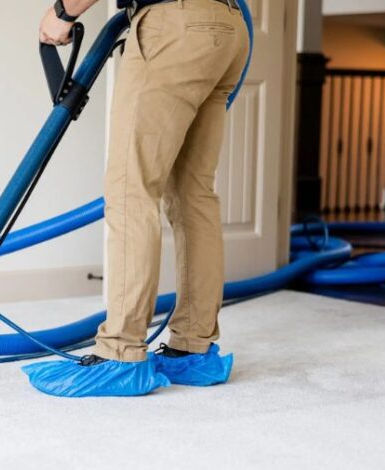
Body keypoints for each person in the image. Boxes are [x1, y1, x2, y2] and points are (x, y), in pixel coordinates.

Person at [30, 0, 249, 392]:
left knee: (132, 188)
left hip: (175, 25)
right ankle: (193, 349)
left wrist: (62, 14)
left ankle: (120, 351)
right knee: (193, 194)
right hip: (228, 26)